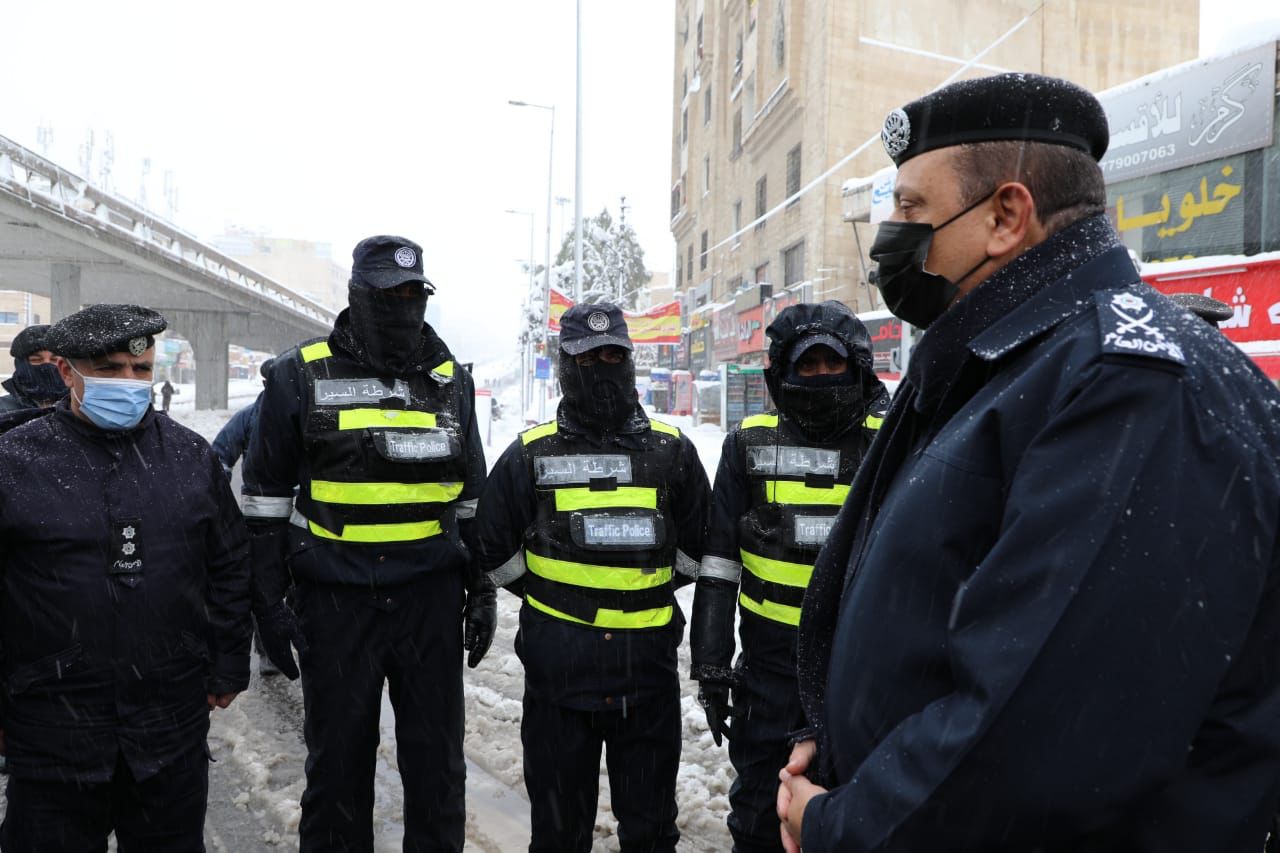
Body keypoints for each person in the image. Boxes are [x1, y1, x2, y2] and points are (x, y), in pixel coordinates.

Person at [779, 73, 1280, 852]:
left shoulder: (1129, 385)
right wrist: (835, 744)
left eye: (912, 209)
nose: (892, 237)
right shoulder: (997, 363)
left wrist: (837, 825)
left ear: (1007, 215)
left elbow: (1031, 737)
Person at [242, 235, 492, 851]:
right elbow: (264, 504)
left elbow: (470, 501)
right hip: (336, 600)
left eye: (414, 294)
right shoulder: (300, 374)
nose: (403, 306)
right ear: (357, 295)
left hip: (430, 601)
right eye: (389, 294)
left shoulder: (449, 381)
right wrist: (267, 602)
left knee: (438, 773)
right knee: (338, 771)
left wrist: (480, 587)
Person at [0, 304, 251, 850]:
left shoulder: (189, 457)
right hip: (51, 732)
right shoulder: (15, 460)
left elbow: (228, 565)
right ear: (66, 372)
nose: (129, 383)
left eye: (141, 371)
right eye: (110, 369)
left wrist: (227, 661)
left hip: (168, 728)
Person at [475, 302, 710, 853]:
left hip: (646, 680)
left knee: (650, 834)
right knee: (559, 836)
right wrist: (553, 597)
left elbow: (702, 547)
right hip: (560, 682)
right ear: (565, 364)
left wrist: (639, 589)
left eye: (613, 354)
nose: (602, 365)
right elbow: (490, 546)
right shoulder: (530, 454)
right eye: (587, 356)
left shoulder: (671, 452)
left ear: (629, 359)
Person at [690, 300, 886, 853]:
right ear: (784, 373)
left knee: (851, 820)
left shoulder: (889, 438)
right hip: (769, 671)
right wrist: (710, 662)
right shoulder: (747, 445)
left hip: (857, 670)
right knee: (757, 815)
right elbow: (720, 565)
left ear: (857, 368)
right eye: (808, 366)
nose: (822, 376)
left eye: (833, 364)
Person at [212, 357, 281, 676]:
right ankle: (269, 649)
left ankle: (283, 645)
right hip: (262, 522)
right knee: (266, 590)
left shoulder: (302, 413)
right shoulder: (251, 416)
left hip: (301, 521)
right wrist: (222, 505)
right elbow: (219, 459)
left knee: (283, 590)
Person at [0, 324, 67, 412]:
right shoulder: (3, 410)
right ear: (21, 365)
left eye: (54, 360)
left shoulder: (81, 409)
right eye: (36, 360)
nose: (47, 365)